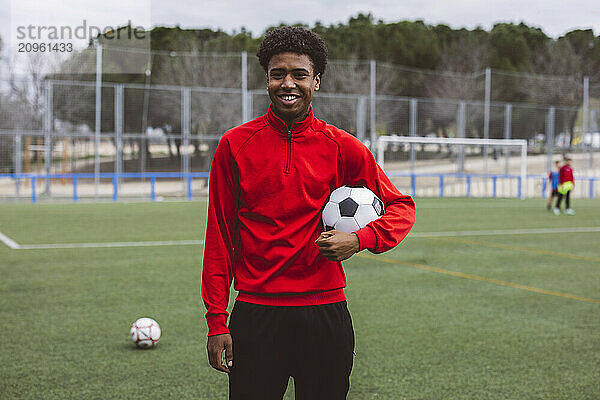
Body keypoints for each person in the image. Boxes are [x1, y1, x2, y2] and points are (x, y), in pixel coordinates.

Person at [201, 26, 416, 399]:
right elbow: (219, 236)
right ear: (266, 80)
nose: (288, 83)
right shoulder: (234, 145)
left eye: (299, 74)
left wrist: (359, 238)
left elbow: (401, 207)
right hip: (255, 314)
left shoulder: (343, 147)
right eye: (277, 74)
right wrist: (217, 321)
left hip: (325, 313)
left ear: (316, 81)